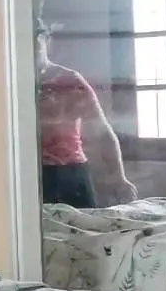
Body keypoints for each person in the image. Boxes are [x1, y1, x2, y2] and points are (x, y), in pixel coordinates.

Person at [35, 15, 137, 209]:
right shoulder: (9, 83)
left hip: (70, 173)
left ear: (47, 41)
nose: (32, 46)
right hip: (24, 171)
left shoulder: (69, 81)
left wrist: (118, 177)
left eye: (37, 38)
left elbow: (102, 133)